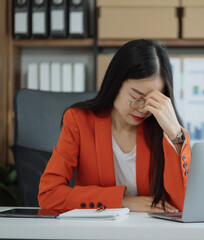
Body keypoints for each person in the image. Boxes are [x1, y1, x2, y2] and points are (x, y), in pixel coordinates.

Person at [38, 39, 191, 213]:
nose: (142, 109)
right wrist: (122, 202)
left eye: (153, 100)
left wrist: (175, 134)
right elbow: (49, 195)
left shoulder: (162, 129)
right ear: (115, 82)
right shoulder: (79, 121)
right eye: (136, 95)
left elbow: (183, 206)